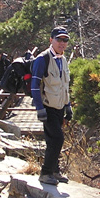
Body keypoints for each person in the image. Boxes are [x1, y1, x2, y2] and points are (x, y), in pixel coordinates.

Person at [31, 26, 73, 185]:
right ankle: (46, 173)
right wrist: (39, 108)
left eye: (65, 40)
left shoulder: (63, 59)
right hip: (48, 107)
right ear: (51, 40)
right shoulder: (43, 59)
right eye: (59, 39)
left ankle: (55, 171)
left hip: (60, 107)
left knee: (52, 140)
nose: (62, 43)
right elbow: (35, 85)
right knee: (57, 139)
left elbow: (64, 85)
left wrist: (68, 105)